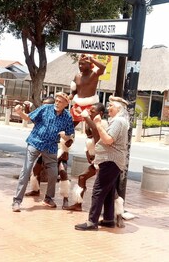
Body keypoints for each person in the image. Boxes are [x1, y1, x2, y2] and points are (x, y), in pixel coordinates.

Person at [12, 92, 75, 212]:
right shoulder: (45, 108)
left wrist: (65, 136)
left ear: (66, 104)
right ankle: (17, 201)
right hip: (35, 142)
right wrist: (20, 112)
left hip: (51, 147)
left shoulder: (67, 117)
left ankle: (49, 198)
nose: (57, 103)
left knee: (53, 173)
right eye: (56, 100)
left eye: (60, 101)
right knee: (26, 170)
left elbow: (70, 135)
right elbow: (29, 118)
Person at [74, 95, 129, 231]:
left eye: (111, 106)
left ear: (118, 109)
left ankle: (92, 222)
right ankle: (109, 219)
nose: (108, 108)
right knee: (108, 191)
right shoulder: (118, 121)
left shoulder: (118, 122)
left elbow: (108, 140)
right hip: (112, 161)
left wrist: (98, 124)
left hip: (111, 161)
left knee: (98, 190)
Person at [69, 54, 106, 127]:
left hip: (90, 106)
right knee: (69, 127)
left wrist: (91, 59)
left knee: (90, 129)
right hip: (77, 106)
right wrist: (68, 97)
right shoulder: (77, 76)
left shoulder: (94, 74)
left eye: (83, 64)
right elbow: (75, 91)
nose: (80, 66)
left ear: (89, 65)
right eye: (79, 64)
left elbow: (103, 67)